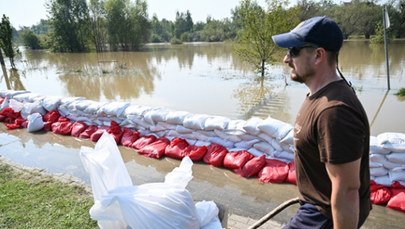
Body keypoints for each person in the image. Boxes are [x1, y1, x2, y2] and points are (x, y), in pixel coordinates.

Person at [272, 16, 371, 229]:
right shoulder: (321, 95)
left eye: (293, 51)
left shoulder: (334, 111)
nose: (286, 59)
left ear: (318, 55)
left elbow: (347, 190)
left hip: (321, 217)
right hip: (313, 209)